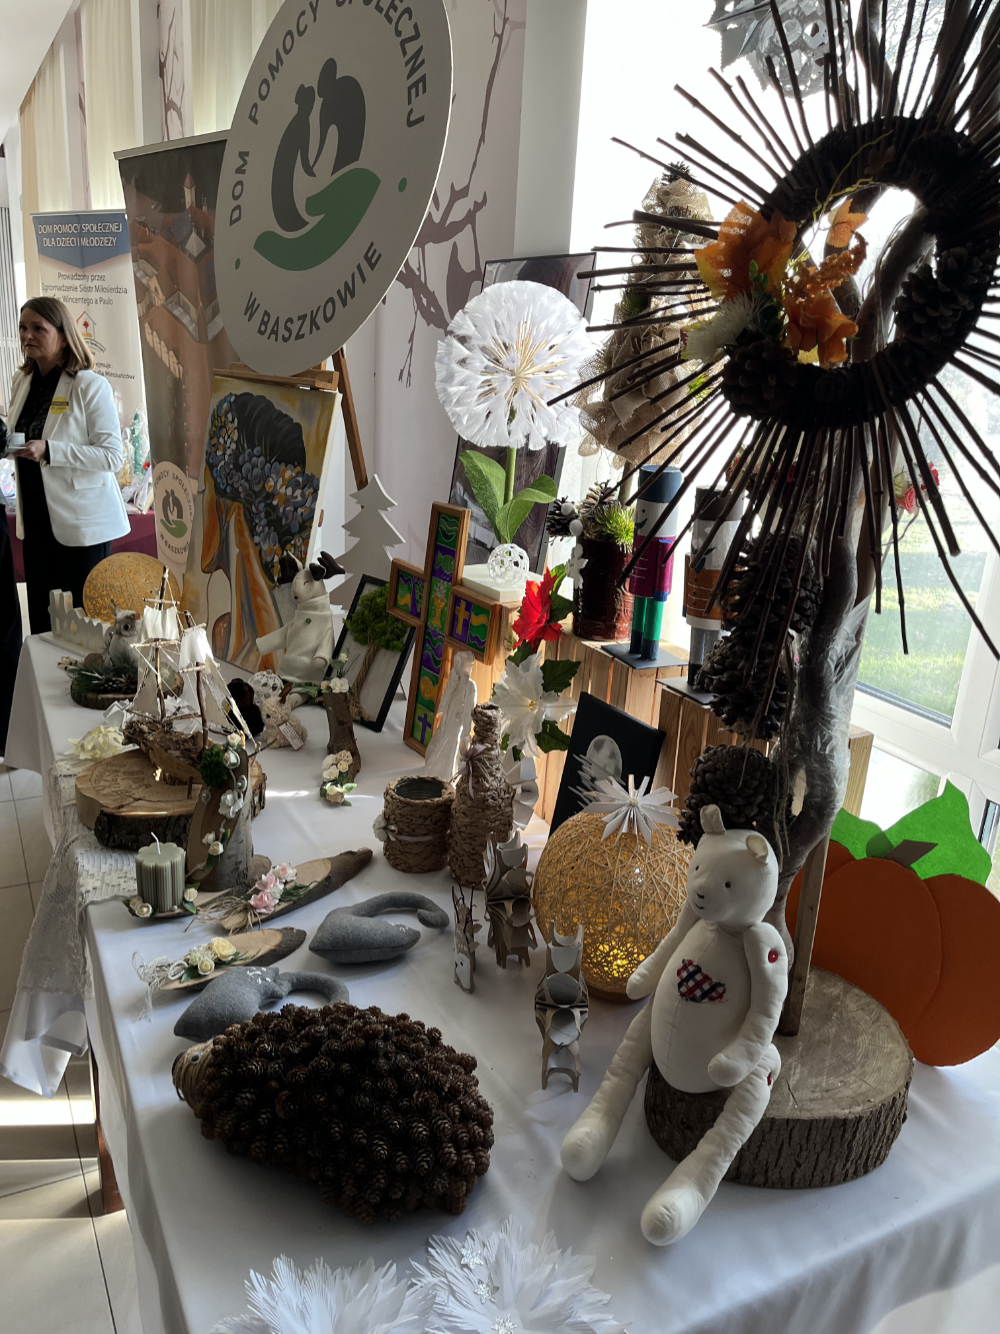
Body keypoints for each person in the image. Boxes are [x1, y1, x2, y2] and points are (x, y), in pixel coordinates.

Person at [1, 297, 129, 635]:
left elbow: (112, 456)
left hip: (81, 527)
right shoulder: (22, 382)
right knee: (44, 626)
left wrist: (51, 450)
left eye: (37, 328)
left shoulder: (89, 385)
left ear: (63, 334)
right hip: (36, 523)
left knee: (84, 629)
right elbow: (20, 436)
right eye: (22, 328)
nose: (27, 336)